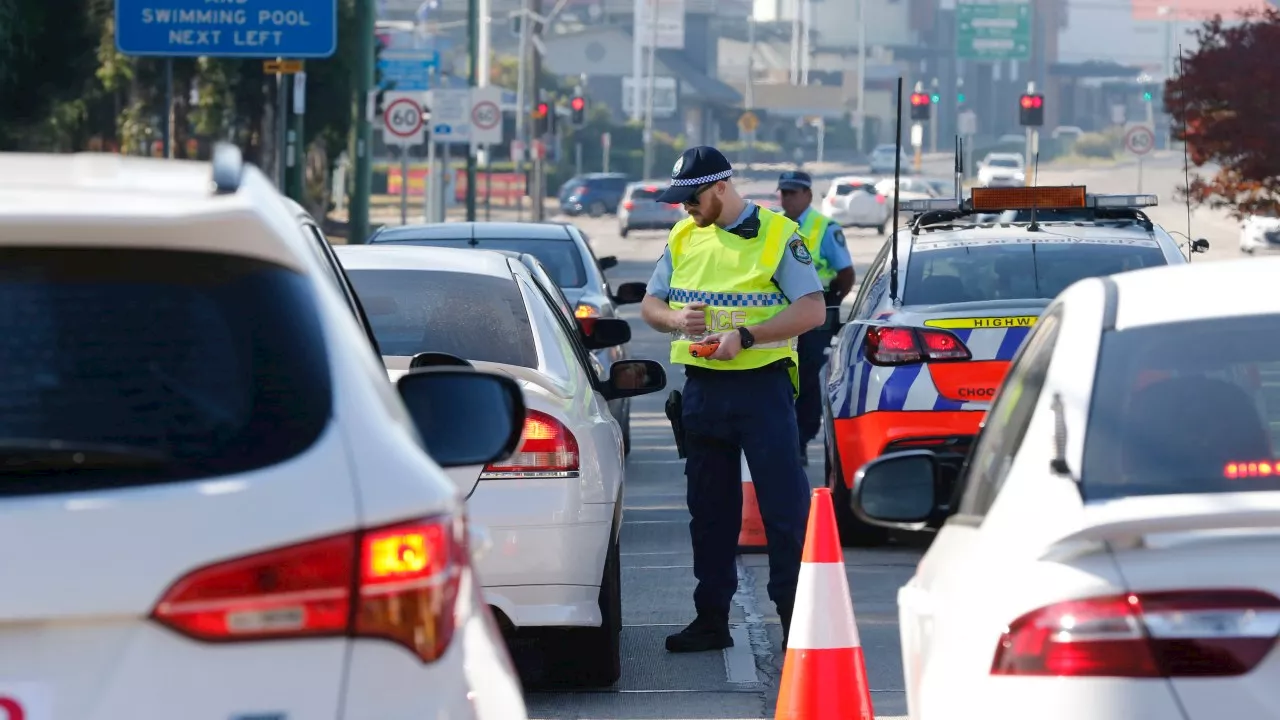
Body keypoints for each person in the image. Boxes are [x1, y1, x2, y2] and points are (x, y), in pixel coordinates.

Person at [640, 146, 826, 653]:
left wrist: (748, 336)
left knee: (783, 514)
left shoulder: (778, 235)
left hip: (762, 389)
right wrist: (677, 320)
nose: (686, 209)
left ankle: (795, 623)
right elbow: (651, 304)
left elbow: (812, 311)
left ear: (721, 187)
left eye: (693, 198)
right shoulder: (683, 235)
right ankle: (711, 619)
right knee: (709, 512)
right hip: (703, 390)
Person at [776, 170, 856, 463]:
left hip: (812, 317)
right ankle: (784, 437)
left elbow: (845, 273)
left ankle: (801, 439)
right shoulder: (772, 225)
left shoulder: (824, 227)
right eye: (783, 193)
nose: (787, 198)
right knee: (780, 379)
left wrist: (830, 302)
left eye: (793, 193)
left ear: (808, 195)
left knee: (807, 381)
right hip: (779, 315)